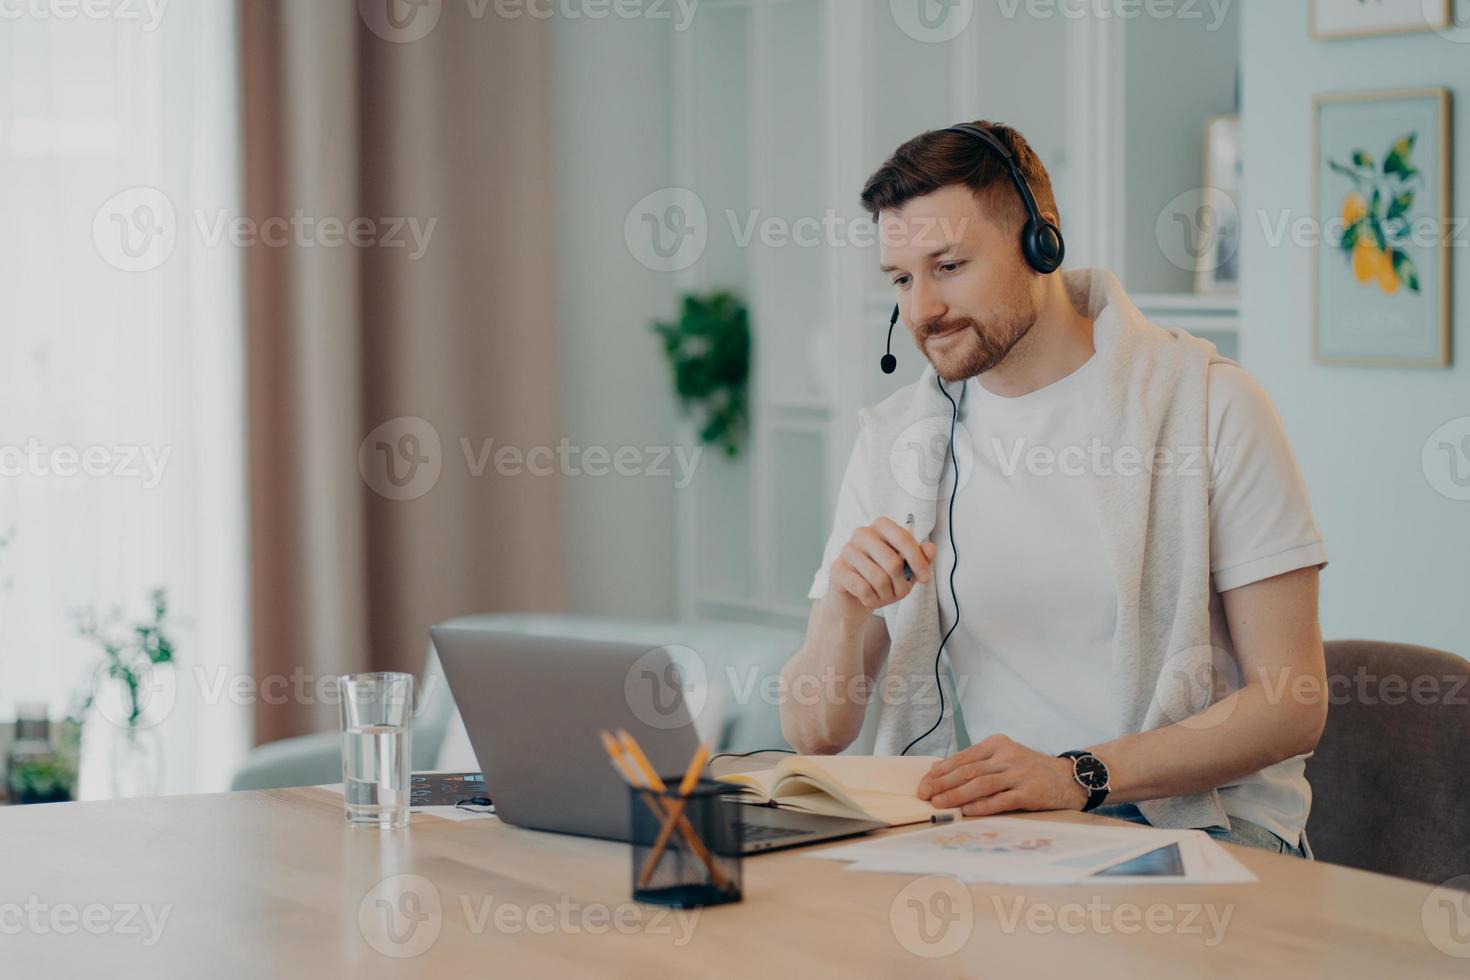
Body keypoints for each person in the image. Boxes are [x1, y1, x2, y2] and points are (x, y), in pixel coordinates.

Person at [778, 121, 1328, 856]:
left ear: (1042, 243)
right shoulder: (897, 444)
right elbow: (815, 734)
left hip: (1211, 830)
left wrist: (1076, 776)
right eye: (902, 279)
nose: (921, 311)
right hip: (1024, 834)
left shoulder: (1209, 407)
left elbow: (1291, 705)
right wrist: (840, 616)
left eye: (949, 266)